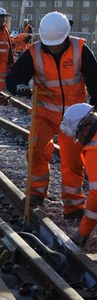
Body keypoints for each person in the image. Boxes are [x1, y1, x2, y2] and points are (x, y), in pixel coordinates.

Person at [7, 12, 97, 218]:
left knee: (73, 161)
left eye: (57, 44)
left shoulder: (80, 50)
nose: (53, 47)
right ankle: (36, 193)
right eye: (50, 44)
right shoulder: (34, 52)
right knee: (36, 150)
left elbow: (95, 79)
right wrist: (18, 86)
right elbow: (13, 77)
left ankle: (73, 206)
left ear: (66, 36)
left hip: (74, 119)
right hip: (45, 113)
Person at [59, 103, 97, 245]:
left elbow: (96, 197)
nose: (79, 142)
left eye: (79, 136)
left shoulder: (93, 150)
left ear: (86, 128)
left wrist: (83, 232)